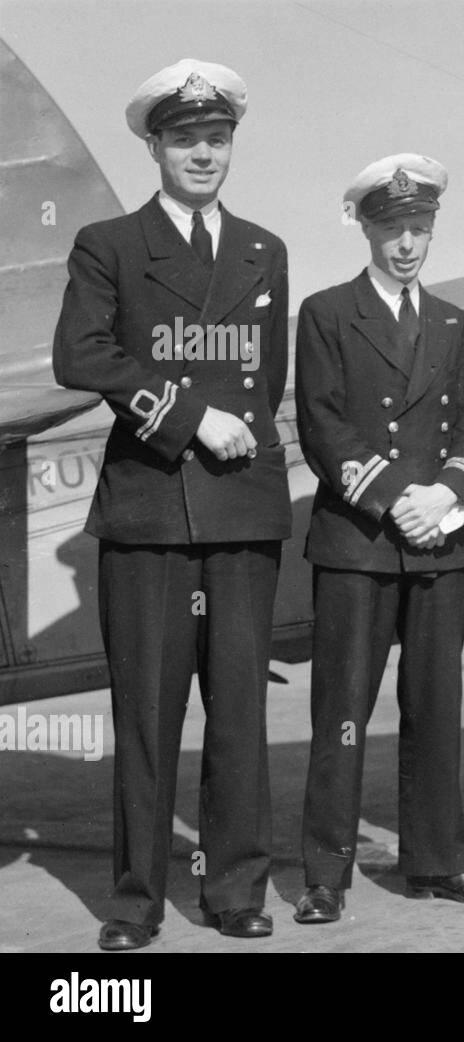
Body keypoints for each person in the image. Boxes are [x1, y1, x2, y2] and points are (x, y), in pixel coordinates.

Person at [52, 59, 291, 949]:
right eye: (185, 138)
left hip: (242, 511)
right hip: (150, 510)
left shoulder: (265, 249)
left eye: (216, 138)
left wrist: (232, 428)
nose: (203, 153)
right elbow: (82, 355)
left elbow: (265, 376)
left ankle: (236, 890)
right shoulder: (108, 244)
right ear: (154, 145)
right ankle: (135, 901)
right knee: (146, 717)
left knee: (238, 711)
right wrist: (190, 417)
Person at [292, 154, 464, 925]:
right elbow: (323, 425)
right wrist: (394, 499)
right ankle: (325, 874)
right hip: (358, 541)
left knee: (435, 704)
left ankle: (436, 862)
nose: (408, 244)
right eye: (393, 228)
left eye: (420, 228)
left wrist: (448, 495)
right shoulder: (325, 313)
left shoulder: (456, 323)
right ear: (366, 228)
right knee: (342, 709)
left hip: (439, 542)